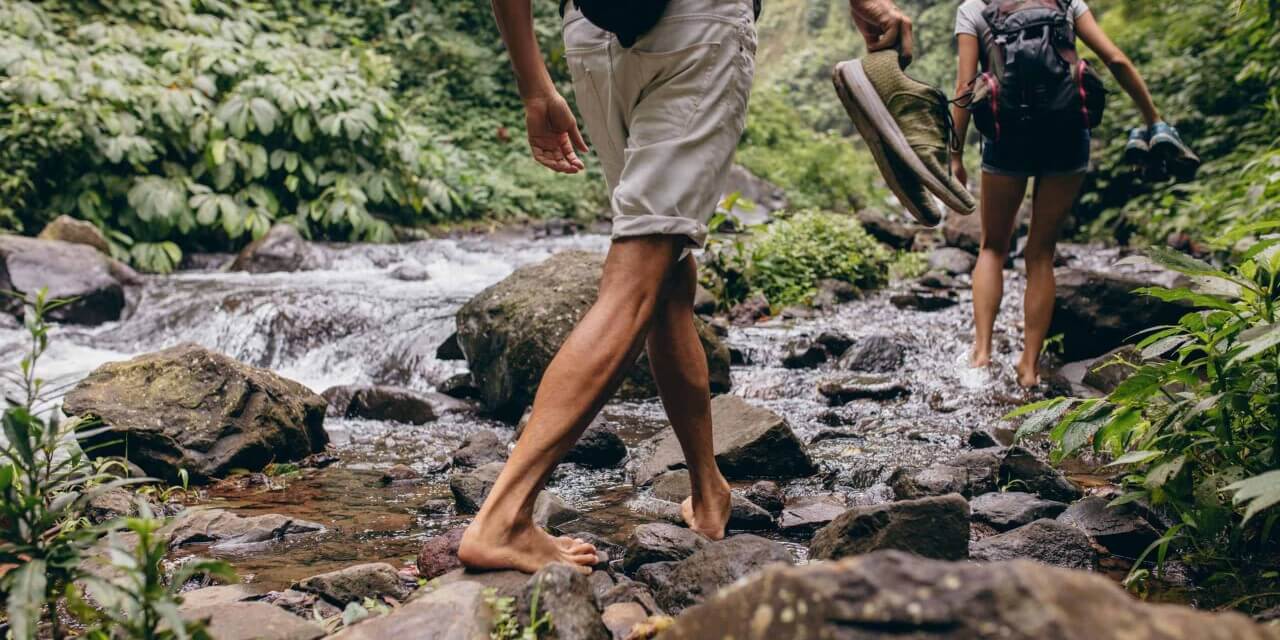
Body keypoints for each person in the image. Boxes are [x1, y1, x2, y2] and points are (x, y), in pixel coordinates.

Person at [459, 0, 916, 575]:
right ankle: (504, 517)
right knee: (635, 279)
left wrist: (533, 85)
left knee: (666, 271)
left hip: (592, 34)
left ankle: (707, 490)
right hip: (697, 28)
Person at [950, 0, 1189, 387]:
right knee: (1041, 253)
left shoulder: (975, 8)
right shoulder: (1066, 3)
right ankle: (1028, 368)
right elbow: (1114, 59)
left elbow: (964, 87)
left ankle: (981, 356)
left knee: (993, 247)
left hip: (1006, 135)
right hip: (1067, 135)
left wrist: (955, 154)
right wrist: (1154, 120)